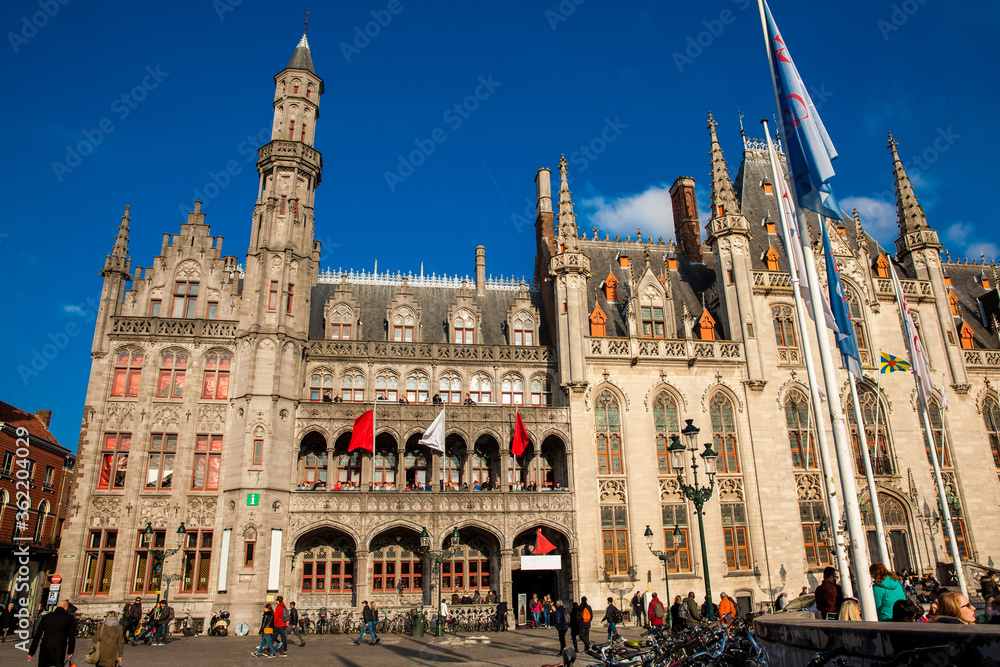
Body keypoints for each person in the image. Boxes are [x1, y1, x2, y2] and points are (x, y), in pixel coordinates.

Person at [27, 599, 76, 666]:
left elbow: (37, 635)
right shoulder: (69, 618)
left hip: (46, 646)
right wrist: (70, 651)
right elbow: (72, 635)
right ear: (65, 606)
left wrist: (31, 652)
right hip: (60, 647)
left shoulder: (46, 617)